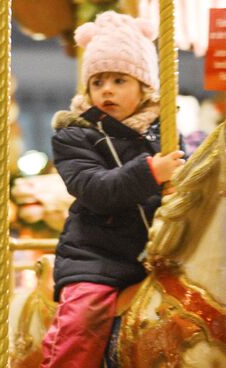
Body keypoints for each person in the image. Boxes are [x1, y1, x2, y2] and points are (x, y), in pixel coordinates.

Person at [41, 11, 185, 367]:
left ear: (143, 87)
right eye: (98, 81)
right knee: (81, 322)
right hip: (97, 258)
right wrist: (152, 172)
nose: (106, 89)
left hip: (159, 254)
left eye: (120, 80)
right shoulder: (74, 135)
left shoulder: (163, 133)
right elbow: (95, 187)